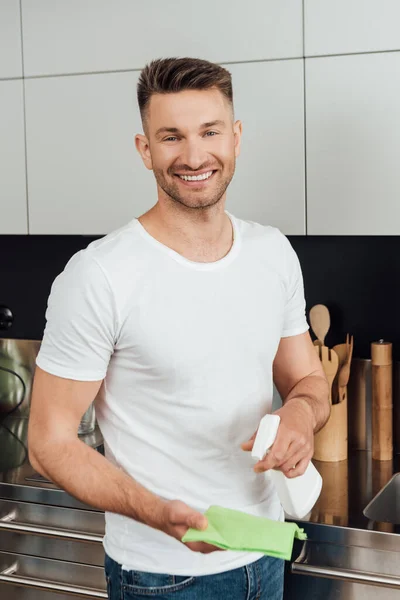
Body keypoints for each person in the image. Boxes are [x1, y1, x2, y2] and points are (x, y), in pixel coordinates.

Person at [28, 57, 330, 600]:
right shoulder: (100, 275)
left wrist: (301, 416)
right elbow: (48, 443)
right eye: (171, 137)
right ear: (145, 150)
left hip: (263, 552)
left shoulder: (273, 253)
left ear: (236, 138)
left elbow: (307, 381)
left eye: (209, 132)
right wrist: (155, 513)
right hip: (161, 575)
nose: (194, 156)